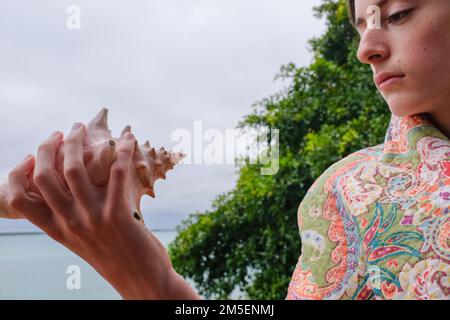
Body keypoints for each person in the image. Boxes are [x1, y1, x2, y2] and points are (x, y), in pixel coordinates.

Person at [6, 0, 450, 300]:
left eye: (398, 15)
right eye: (361, 24)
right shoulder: (350, 194)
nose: (366, 49)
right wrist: (153, 282)